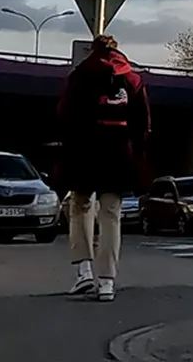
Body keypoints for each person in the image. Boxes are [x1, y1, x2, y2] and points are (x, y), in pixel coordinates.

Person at [55, 33, 149, 301]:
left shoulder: (80, 75)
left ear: (92, 51)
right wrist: (138, 155)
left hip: (85, 149)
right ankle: (107, 281)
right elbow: (143, 121)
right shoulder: (132, 79)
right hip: (118, 151)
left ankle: (84, 272)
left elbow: (65, 114)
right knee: (111, 213)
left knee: (80, 205)